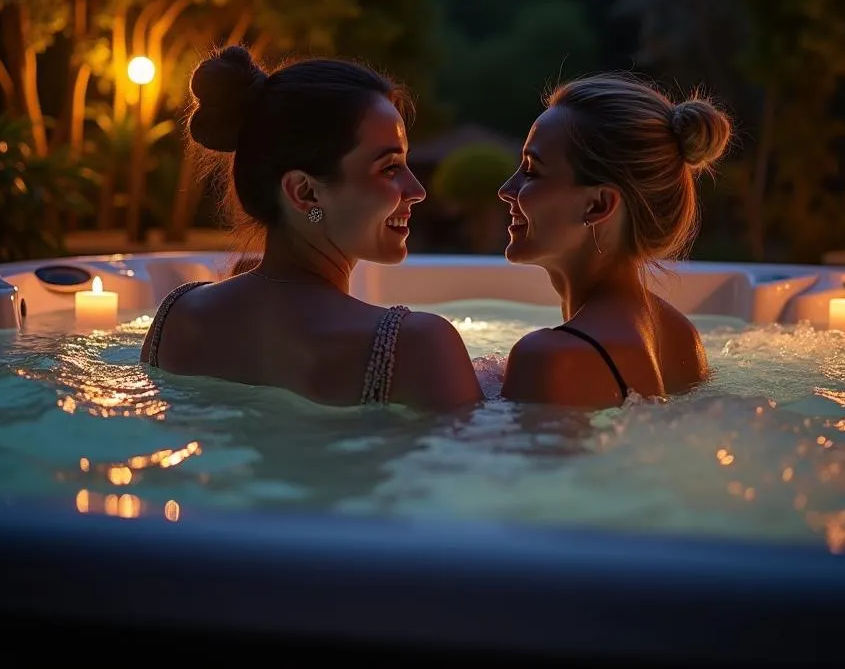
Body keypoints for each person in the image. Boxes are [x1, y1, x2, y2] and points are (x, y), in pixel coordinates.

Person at [140, 45, 482, 412]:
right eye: (389, 168)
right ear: (304, 193)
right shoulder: (414, 345)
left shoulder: (177, 316)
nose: (416, 191)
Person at [497, 73, 731, 409]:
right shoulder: (682, 338)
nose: (506, 190)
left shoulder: (550, 358)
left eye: (532, 172)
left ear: (598, 205)